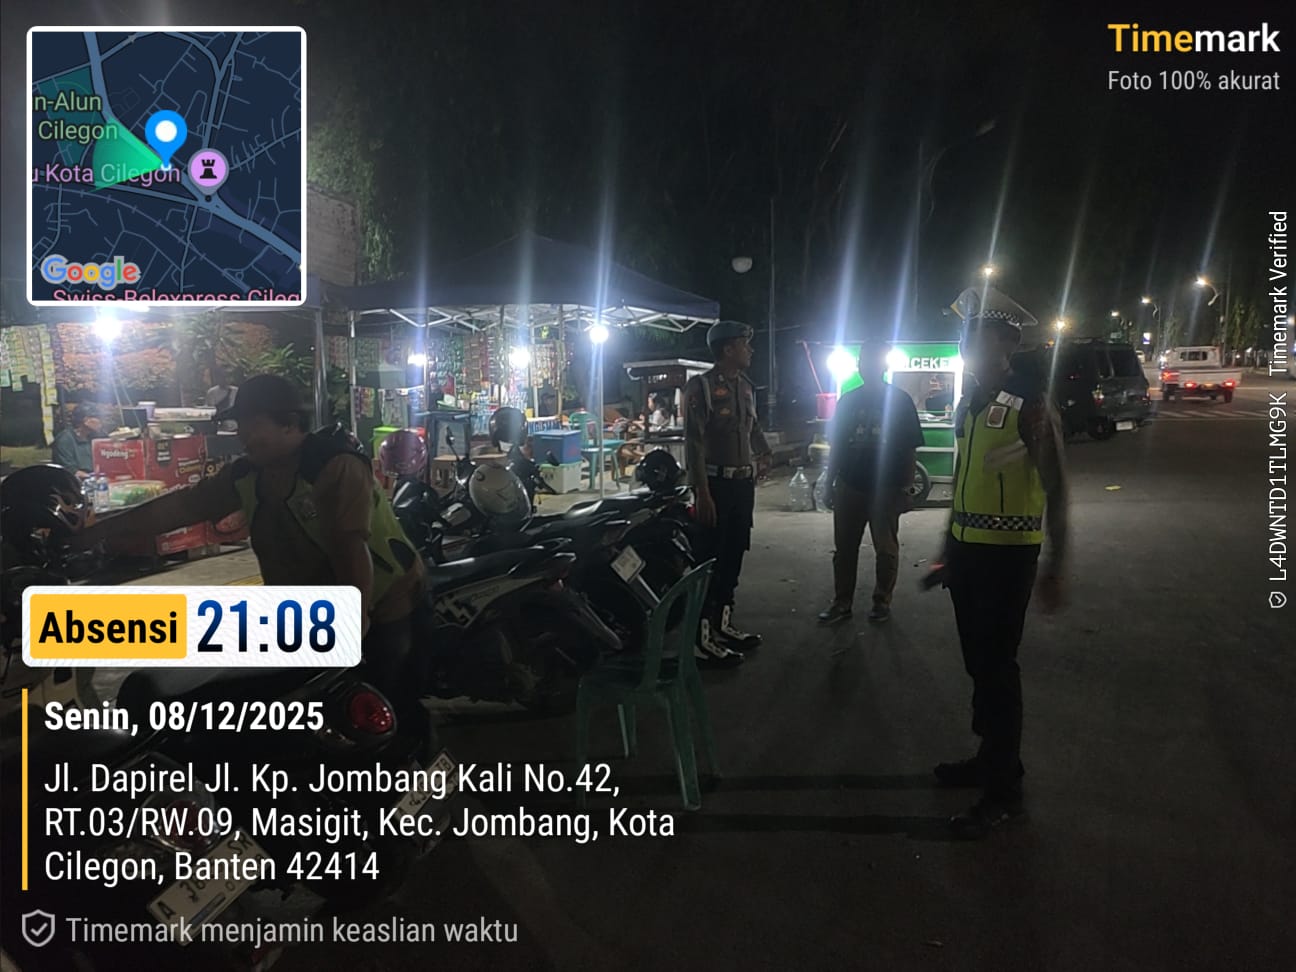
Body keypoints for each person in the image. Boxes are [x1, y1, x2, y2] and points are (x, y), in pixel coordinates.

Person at [76, 375, 424, 686]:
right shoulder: (248, 474)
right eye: (238, 424)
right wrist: (98, 532)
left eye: (251, 424)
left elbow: (350, 549)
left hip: (385, 606)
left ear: (289, 424)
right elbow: (181, 507)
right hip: (306, 616)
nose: (241, 434)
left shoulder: (334, 468)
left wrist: (352, 624)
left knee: (385, 707)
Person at [923, 287, 1069, 840]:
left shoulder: (1030, 404)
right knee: (977, 665)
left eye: (977, 336)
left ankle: (1006, 792)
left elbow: (1057, 488)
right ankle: (992, 758)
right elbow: (965, 481)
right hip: (967, 554)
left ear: (1008, 342)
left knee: (998, 668)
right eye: (964, 336)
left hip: (1009, 559)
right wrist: (947, 549)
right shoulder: (970, 403)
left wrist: (1056, 565)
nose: (966, 345)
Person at [683, 321, 772, 668]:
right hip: (715, 485)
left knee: (734, 555)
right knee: (710, 560)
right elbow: (694, 442)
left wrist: (764, 452)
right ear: (727, 349)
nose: (750, 350)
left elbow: (753, 426)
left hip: (741, 485)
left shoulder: (746, 387)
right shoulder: (702, 387)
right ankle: (700, 639)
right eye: (743, 345)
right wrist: (701, 492)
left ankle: (723, 624)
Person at [817, 339, 924, 625]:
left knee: (886, 550)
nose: (868, 365)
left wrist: (906, 488)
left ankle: (881, 602)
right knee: (844, 550)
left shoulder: (900, 401)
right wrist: (829, 484)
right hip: (850, 485)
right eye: (864, 360)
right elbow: (837, 446)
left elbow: (910, 448)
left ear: (883, 365)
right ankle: (842, 603)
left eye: (874, 360)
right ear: (859, 365)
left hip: (886, 489)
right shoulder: (848, 401)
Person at [50, 403, 101, 479]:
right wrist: (93, 478)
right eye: (97, 417)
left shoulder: (94, 437)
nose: (100, 421)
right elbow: (69, 470)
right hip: (74, 482)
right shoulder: (65, 440)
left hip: (95, 479)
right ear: (86, 420)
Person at [206, 367, 239, 433]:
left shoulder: (236, 391)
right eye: (223, 377)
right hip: (220, 428)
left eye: (228, 377)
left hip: (236, 427)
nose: (226, 379)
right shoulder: (212, 392)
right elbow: (211, 411)